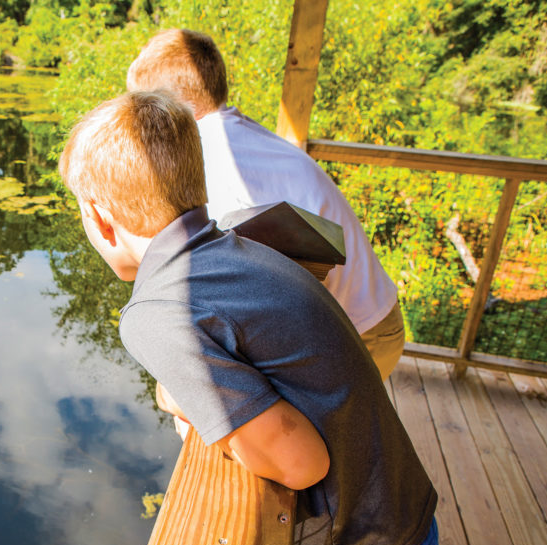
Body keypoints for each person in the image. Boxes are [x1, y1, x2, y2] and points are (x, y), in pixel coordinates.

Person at [59, 90, 438, 545]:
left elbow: (301, 464)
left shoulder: (159, 310)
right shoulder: (243, 241)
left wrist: (196, 405)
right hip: (402, 525)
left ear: (101, 219)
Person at [126, 28, 405, 381]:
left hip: (360, 335)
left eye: (145, 109)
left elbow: (251, 298)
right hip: (372, 316)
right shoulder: (236, 136)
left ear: (172, 107)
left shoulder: (217, 164)